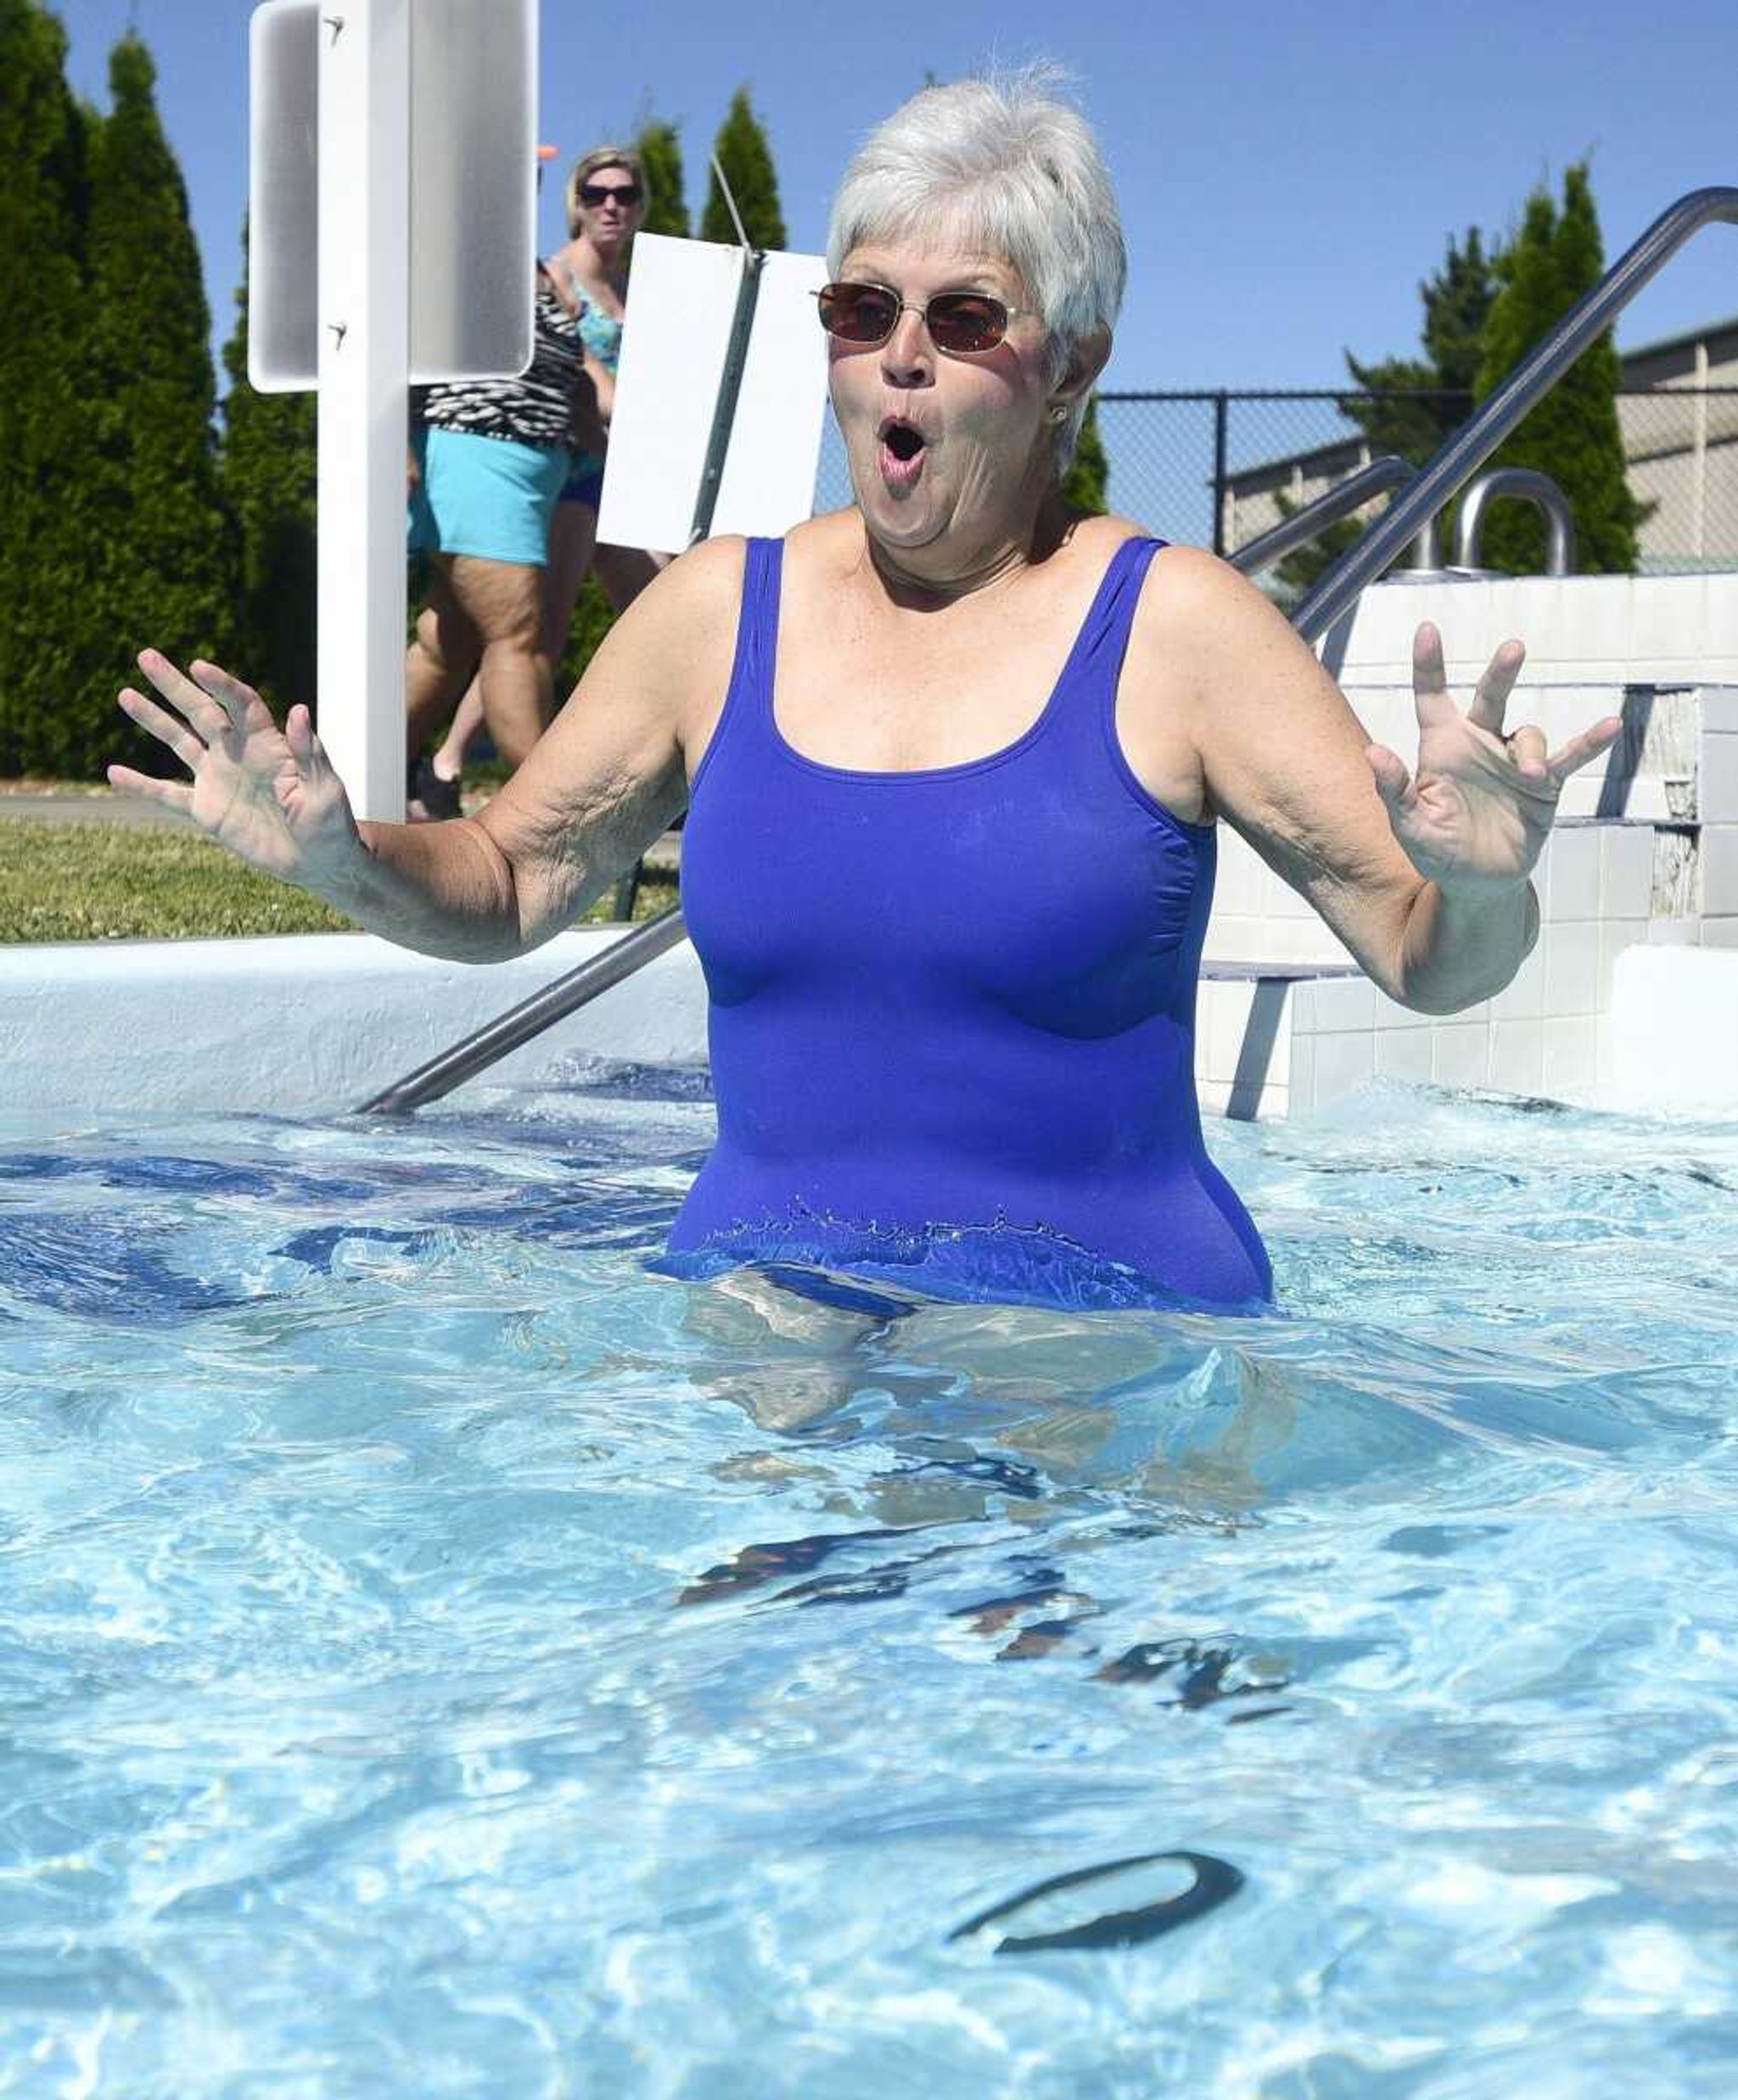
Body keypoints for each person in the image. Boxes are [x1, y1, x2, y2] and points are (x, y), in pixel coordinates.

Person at [109, 70, 1621, 1313]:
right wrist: (342, 857)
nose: (898, 358)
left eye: (963, 320)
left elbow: (1427, 960)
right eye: (861, 310)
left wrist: (1479, 888)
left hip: (1106, 1360)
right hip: (768, 1323)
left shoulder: (1176, 629)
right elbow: (509, 881)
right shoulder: (717, 613)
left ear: (1071, 365)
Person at [418, 147, 669, 820]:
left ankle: (374, 770)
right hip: (486, 464)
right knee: (523, 636)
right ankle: (550, 805)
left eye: (624, 192)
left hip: (552, 471)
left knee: (450, 644)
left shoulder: (541, 278)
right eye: (595, 192)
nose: (611, 204)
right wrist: (401, 458)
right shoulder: (476, 264)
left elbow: (572, 384)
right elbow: (410, 355)